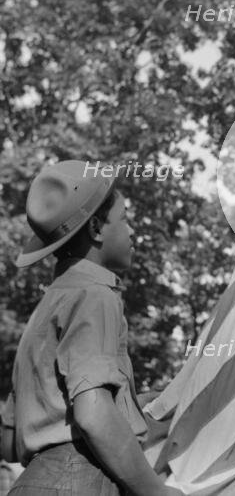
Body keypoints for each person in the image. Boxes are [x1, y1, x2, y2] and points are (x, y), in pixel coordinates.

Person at [0, 160, 182, 496]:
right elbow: (93, 413)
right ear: (96, 228)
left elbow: (10, 443)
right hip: (81, 481)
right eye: (125, 219)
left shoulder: (44, 312)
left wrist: (145, 405)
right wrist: (156, 491)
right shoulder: (96, 296)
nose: (131, 232)